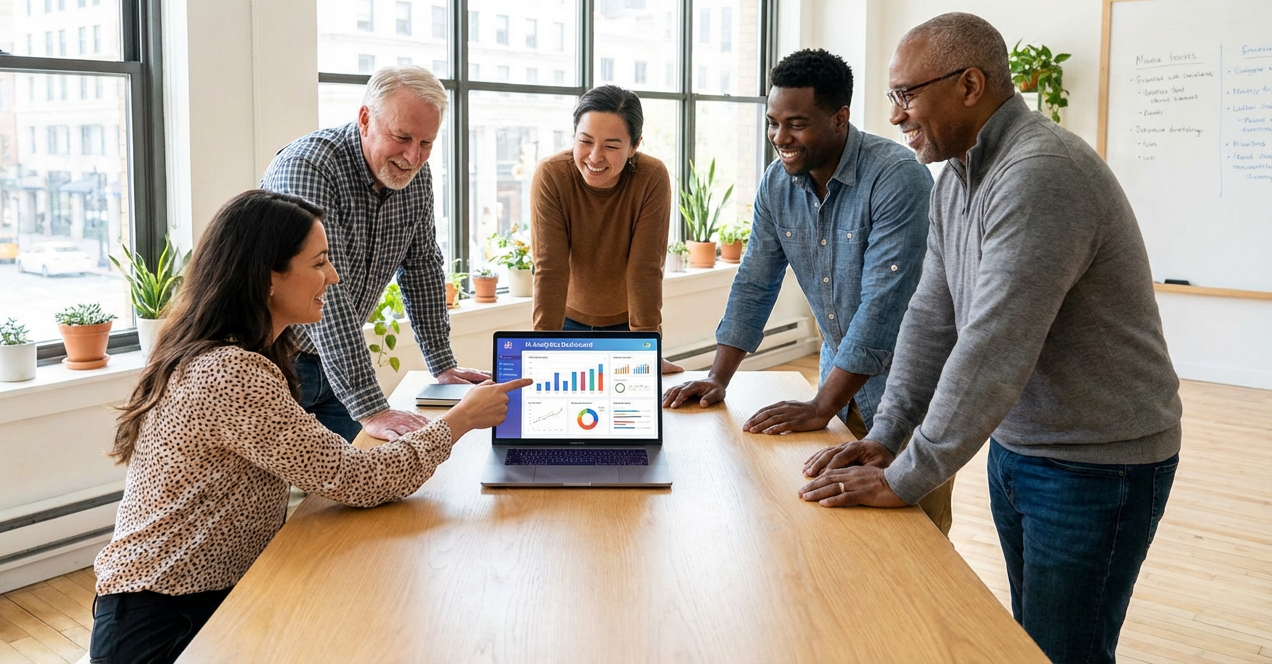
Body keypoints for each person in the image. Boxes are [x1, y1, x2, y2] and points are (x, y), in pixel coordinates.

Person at [802, 13, 1182, 664]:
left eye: (905, 94)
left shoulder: (1039, 172)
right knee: (1026, 640)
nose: (894, 116)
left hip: (1099, 463)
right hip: (1022, 448)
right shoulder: (958, 177)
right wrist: (885, 436)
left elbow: (992, 344)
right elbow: (930, 314)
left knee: (1063, 650)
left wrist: (909, 475)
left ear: (970, 85)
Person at [89, 190, 530, 664]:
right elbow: (357, 480)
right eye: (318, 263)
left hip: (199, 597)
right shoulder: (231, 372)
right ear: (268, 278)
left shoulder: (235, 351)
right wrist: (459, 421)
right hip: (161, 621)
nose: (333, 277)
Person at [661, 49, 952, 533]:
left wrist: (820, 406)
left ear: (840, 118)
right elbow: (755, 280)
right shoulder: (778, 182)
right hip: (838, 384)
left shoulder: (897, 176)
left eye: (796, 124)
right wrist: (718, 377)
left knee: (916, 538)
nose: (780, 138)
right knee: (837, 529)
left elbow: (883, 304)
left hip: (910, 395)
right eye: (773, 122)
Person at [261, 66, 489, 442]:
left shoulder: (415, 177)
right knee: (268, 491)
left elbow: (422, 267)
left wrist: (443, 365)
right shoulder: (308, 168)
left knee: (361, 485)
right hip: (273, 358)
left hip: (333, 365)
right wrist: (371, 407)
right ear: (365, 119)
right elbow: (323, 290)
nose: (413, 157)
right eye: (401, 137)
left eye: (426, 143)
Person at [530, 85, 682, 373]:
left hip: (629, 326)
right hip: (565, 323)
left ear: (634, 146)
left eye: (611, 146)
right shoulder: (552, 175)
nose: (595, 157)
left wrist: (648, 346)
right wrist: (541, 350)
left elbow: (645, 269)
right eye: (585, 141)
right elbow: (550, 269)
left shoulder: (651, 177)